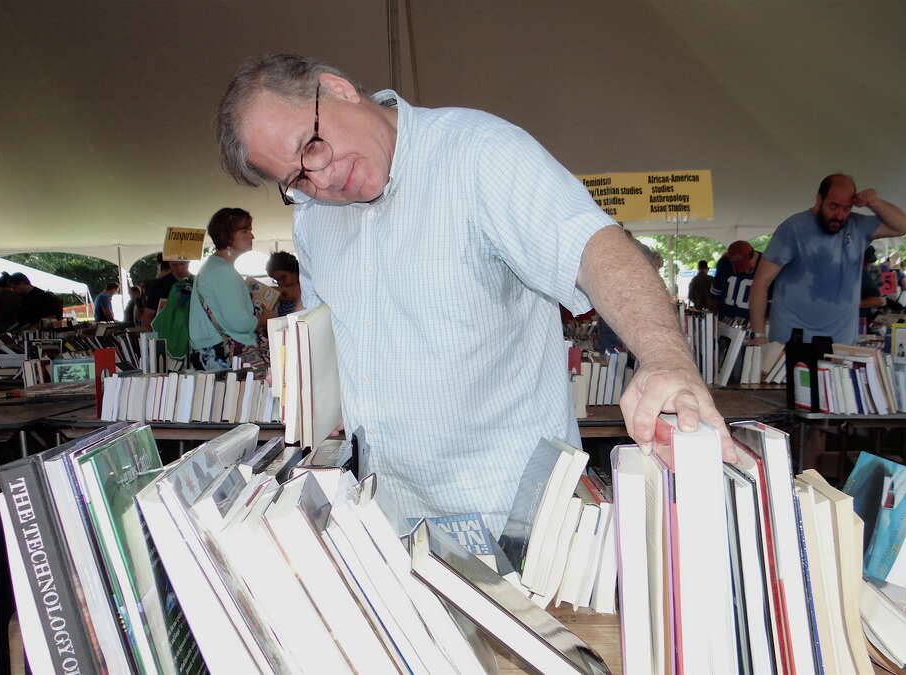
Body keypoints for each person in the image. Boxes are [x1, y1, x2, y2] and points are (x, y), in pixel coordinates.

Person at [216, 54, 730, 529]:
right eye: (297, 179)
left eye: (312, 145)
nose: (322, 178)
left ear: (337, 89)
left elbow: (594, 249)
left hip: (509, 518)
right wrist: (319, 393)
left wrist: (664, 358)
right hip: (383, 516)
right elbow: (333, 329)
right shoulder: (313, 218)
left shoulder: (479, 152)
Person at [747, 174, 906, 347]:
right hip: (790, 341)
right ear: (819, 200)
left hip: (841, 344)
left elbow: (904, 226)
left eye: (846, 208)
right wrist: (758, 334)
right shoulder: (793, 228)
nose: (839, 215)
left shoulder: (858, 226)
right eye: (833, 206)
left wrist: (875, 202)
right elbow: (761, 282)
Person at [189, 208, 273, 370]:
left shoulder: (213, 267)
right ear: (227, 236)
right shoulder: (223, 271)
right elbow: (240, 323)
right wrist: (264, 319)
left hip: (212, 350)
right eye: (244, 231)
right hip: (227, 352)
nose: (252, 236)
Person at [705, 240, 763, 321]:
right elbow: (714, 296)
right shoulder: (724, 262)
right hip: (725, 322)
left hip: (752, 324)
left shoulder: (768, 265)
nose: (744, 271)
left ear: (753, 256)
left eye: (745, 266)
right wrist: (712, 319)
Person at [141, 254, 192, 330]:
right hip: (166, 332)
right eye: (174, 265)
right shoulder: (159, 285)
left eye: (182, 264)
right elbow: (148, 316)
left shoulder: (197, 283)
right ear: (169, 262)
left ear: (189, 261)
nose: (179, 268)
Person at [266, 251, 303, 316]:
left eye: (283, 277)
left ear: (295, 271)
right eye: (277, 280)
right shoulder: (281, 296)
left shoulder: (304, 288)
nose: (280, 283)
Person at [859, 246, 887, 324]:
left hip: (865, 312)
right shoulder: (862, 271)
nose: (869, 265)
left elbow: (878, 298)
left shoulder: (867, 271)